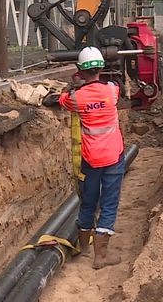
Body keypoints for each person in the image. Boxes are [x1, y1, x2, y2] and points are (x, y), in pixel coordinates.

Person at [58, 46, 125, 270]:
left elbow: (62, 100)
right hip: (113, 156)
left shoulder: (75, 98)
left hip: (90, 158)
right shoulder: (111, 91)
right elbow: (118, 86)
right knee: (109, 203)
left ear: (79, 69)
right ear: (101, 67)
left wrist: (73, 84)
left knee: (88, 201)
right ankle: (101, 256)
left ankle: (84, 248)